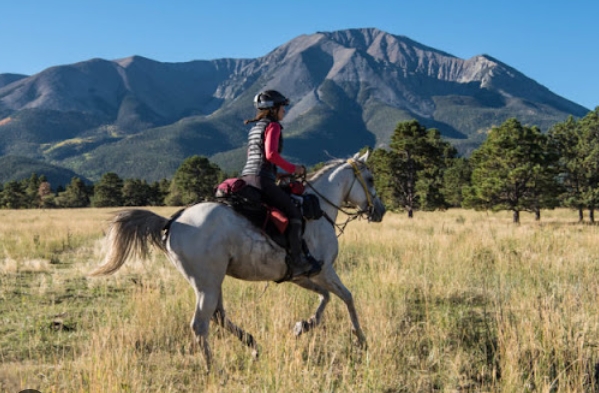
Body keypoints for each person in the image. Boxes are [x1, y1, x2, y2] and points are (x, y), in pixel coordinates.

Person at [241, 90, 321, 278]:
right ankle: (298, 262)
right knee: (294, 212)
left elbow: (255, 158)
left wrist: (279, 174)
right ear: (273, 109)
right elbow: (270, 155)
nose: (285, 111)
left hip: (247, 178)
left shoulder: (254, 129)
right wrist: (294, 169)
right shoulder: (273, 126)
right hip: (262, 179)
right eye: (283, 107)